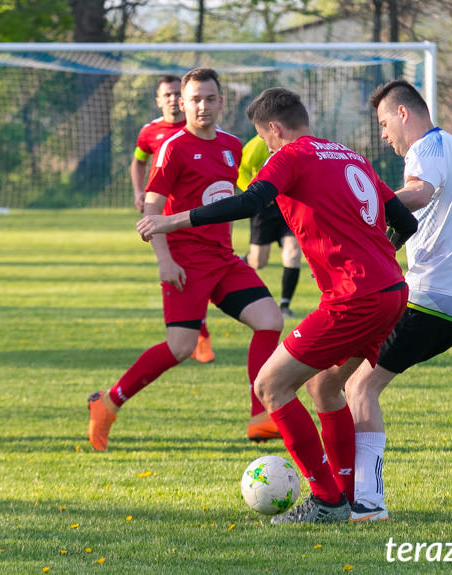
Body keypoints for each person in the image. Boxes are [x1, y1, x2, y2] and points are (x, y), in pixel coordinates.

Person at [137, 87, 417, 524]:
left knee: (270, 385)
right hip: (391, 293)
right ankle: (344, 495)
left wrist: (171, 220)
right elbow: (406, 221)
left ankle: (325, 501)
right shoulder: (347, 155)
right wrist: (380, 258)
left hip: (355, 296)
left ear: (274, 129)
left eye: (265, 140)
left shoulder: (291, 155)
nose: (266, 148)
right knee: (324, 386)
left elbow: (250, 201)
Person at [310, 79, 452, 522]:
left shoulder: (426, 147)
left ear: (403, 114)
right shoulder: (447, 146)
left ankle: (366, 501)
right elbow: (412, 215)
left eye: (385, 123)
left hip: (434, 297)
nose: (385, 134)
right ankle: (344, 489)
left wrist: (360, 203)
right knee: (333, 380)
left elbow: (417, 194)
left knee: (359, 386)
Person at [88, 68, 285, 451]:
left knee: (269, 321)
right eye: (195, 99)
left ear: (222, 102)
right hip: (185, 264)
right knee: (180, 347)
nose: (203, 106)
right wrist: (164, 259)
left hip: (224, 261)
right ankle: (108, 403)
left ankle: (260, 417)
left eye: (210, 99)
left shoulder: (231, 145)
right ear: (182, 102)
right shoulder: (173, 148)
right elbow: (152, 210)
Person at [131, 75, 215, 364]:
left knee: (199, 279)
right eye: (166, 94)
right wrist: (138, 192)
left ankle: (200, 337)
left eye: (175, 93)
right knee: (185, 279)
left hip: (197, 220)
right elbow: (139, 160)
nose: (171, 99)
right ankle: (196, 336)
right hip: (163, 215)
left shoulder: (200, 129)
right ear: (159, 100)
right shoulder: (150, 132)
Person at [237, 135, 302, 318]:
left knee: (293, 253)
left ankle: (284, 306)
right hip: (264, 209)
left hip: (287, 206)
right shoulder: (258, 143)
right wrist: (253, 193)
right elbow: (241, 169)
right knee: (259, 261)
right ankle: (235, 263)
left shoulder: (294, 142)